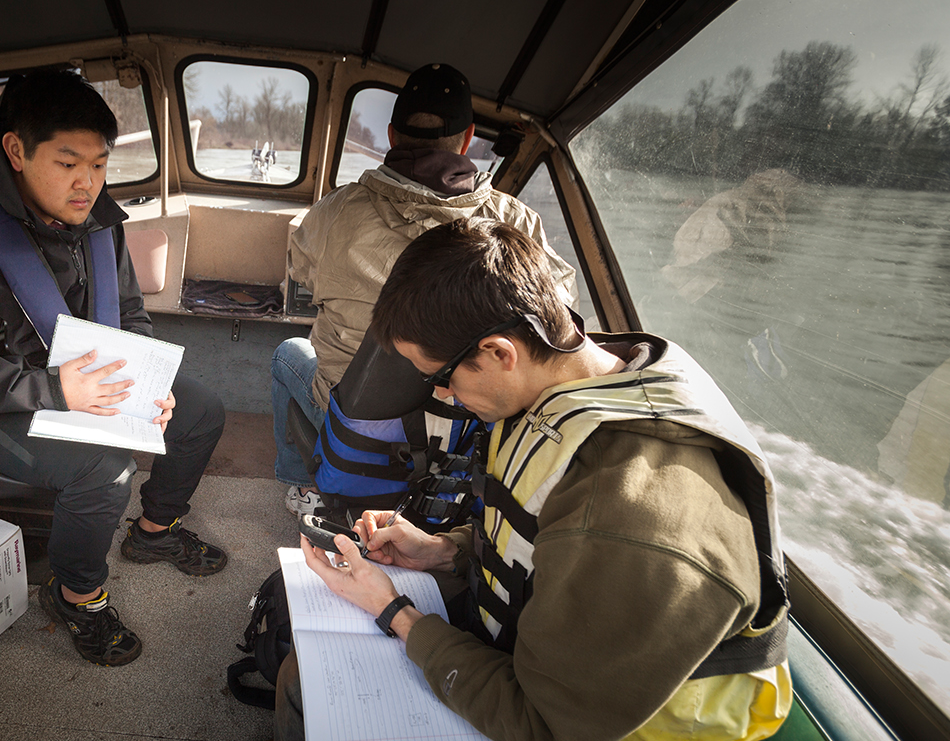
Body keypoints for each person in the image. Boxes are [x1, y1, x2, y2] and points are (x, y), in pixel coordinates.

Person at [277, 218, 793, 741]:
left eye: (440, 377)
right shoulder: (564, 388)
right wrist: (445, 549)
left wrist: (395, 613)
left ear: (501, 352)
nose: (445, 398)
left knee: (305, 691)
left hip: (605, 726)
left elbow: (542, 725)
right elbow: (538, 541)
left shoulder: (627, 511)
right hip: (536, 659)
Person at [0, 71, 228, 668]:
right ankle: (76, 595)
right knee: (104, 467)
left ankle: (154, 531)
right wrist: (53, 389)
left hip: (76, 379)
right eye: (68, 163)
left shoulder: (97, 221)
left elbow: (131, 314)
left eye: (98, 165)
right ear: (16, 150)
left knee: (200, 410)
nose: (87, 184)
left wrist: (145, 379)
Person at [275, 63, 576, 514]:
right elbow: (558, 315)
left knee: (287, 353)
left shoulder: (335, 211)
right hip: (466, 427)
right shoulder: (516, 223)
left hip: (356, 415)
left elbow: (299, 274)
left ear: (393, 136)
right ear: (468, 136)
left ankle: (303, 485)